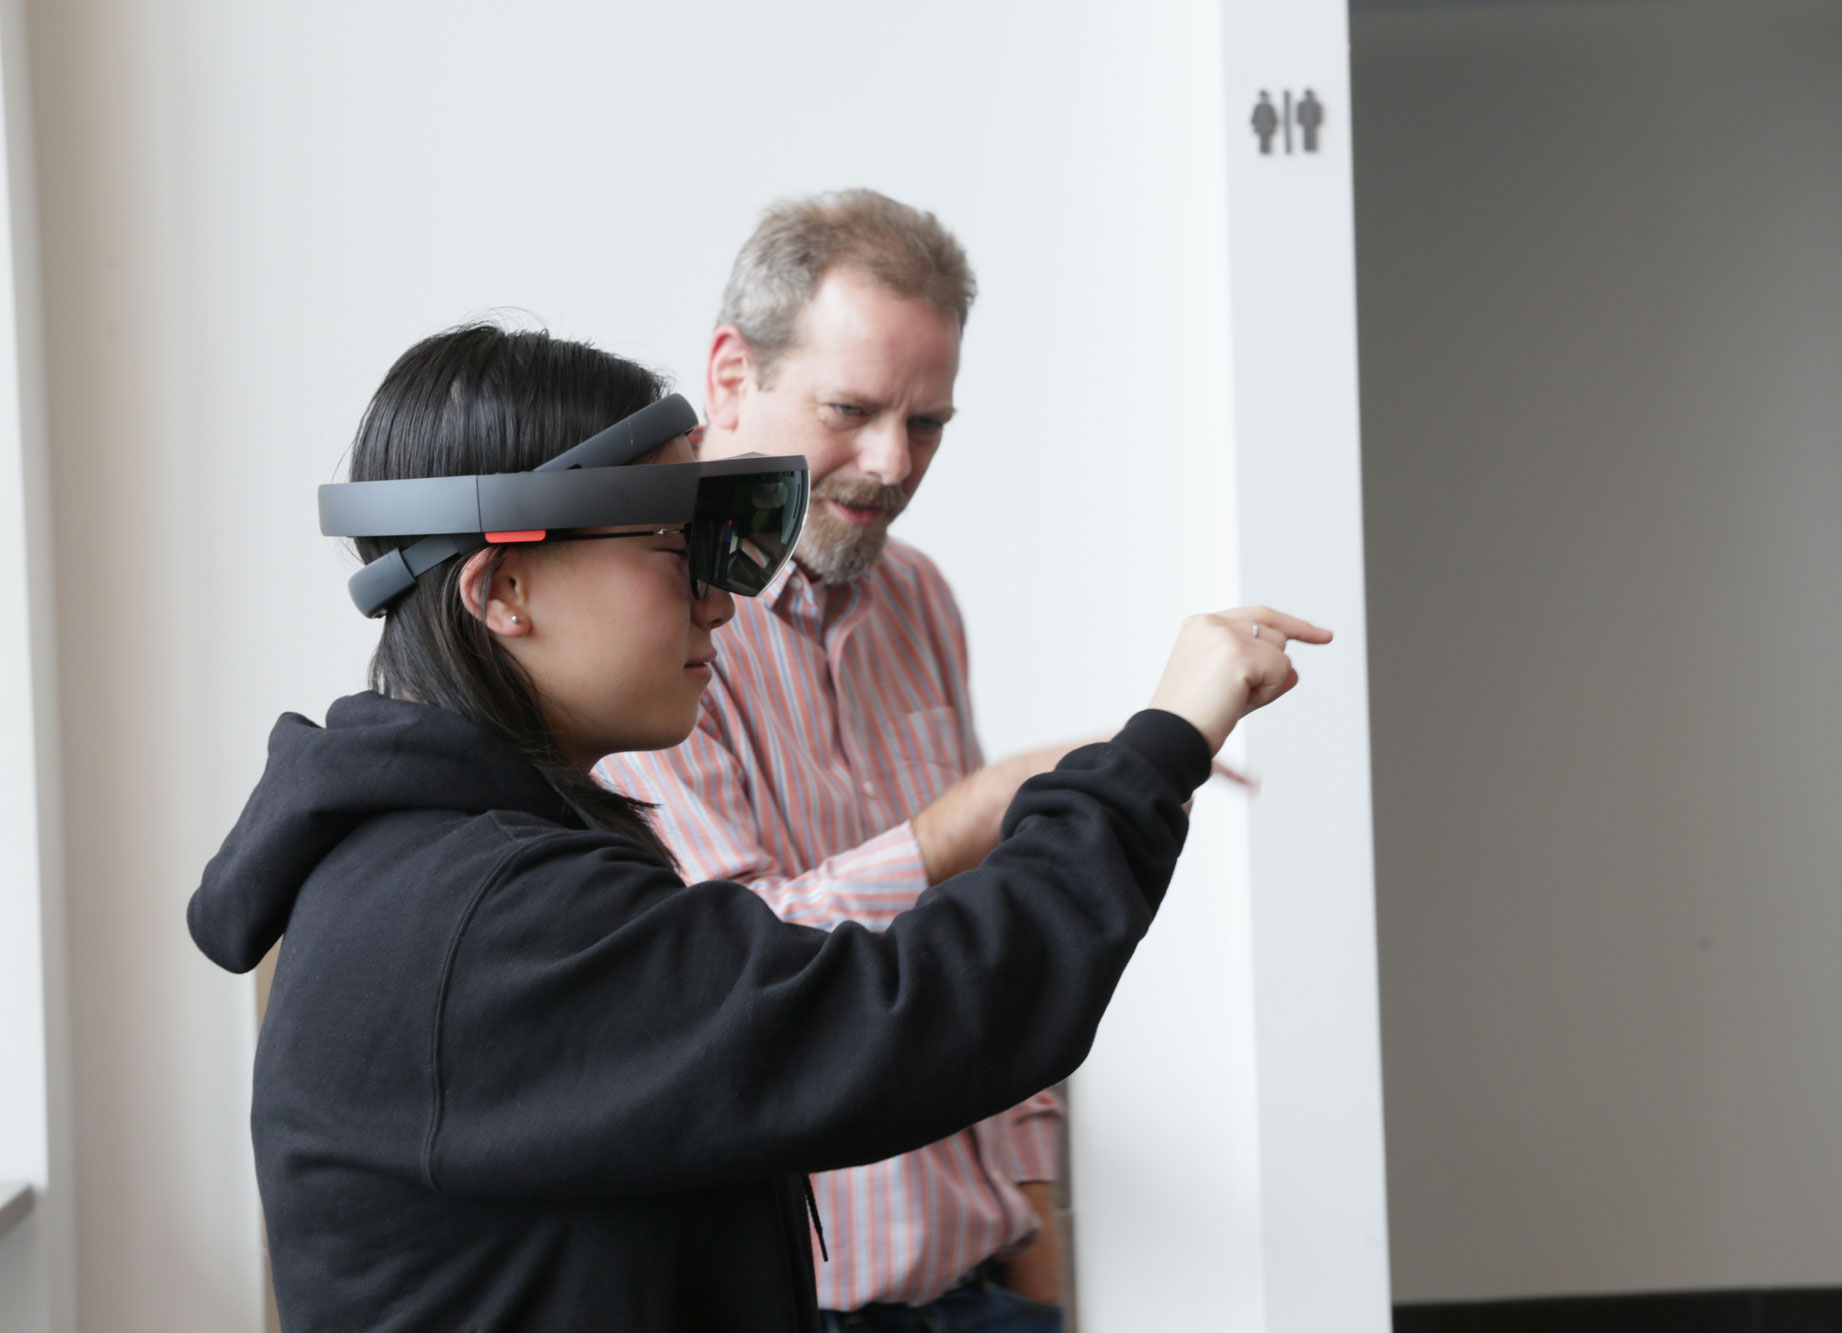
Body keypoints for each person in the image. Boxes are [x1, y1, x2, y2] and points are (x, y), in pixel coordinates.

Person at [186, 322, 1328, 1332]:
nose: (719, 598)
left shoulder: (469, 864)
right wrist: (1163, 740)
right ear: (502, 593)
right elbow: (909, 1013)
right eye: (673, 550)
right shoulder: (484, 917)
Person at [595, 190, 1176, 1328]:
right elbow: (734, 971)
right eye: (851, 408)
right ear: (728, 375)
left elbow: (986, 947)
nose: (887, 463)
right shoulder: (638, 621)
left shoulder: (920, 600)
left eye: (928, 424)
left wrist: (1034, 1245)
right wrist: (968, 816)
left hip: (983, 1288)